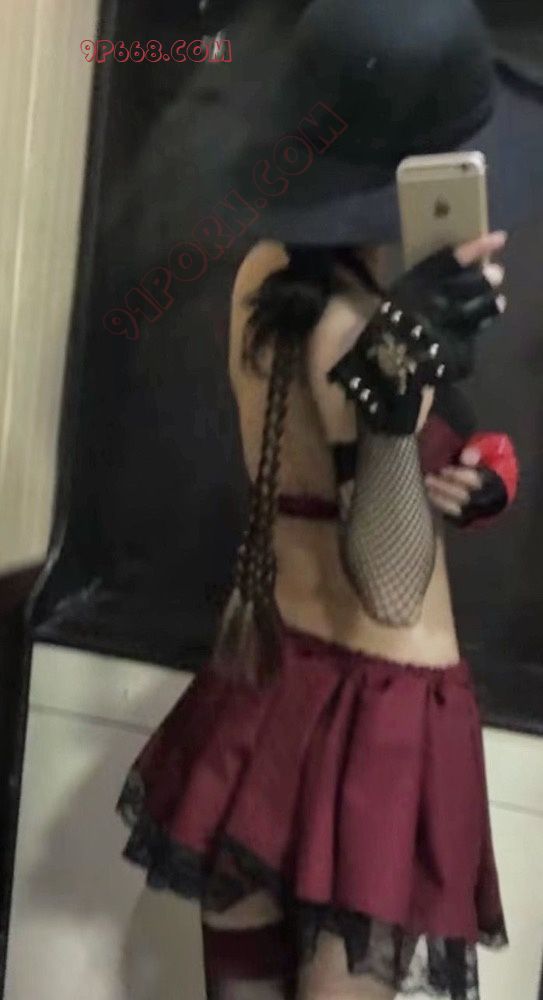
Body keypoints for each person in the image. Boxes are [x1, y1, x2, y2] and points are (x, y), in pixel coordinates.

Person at [117, 0, 543, 997]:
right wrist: (398, 379)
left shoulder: (264, 276)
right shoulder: (359, 328)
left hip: (269, 683)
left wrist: (468, 468)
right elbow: (389, 581)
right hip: (376, 715)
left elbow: (318, 476)